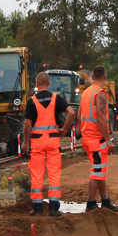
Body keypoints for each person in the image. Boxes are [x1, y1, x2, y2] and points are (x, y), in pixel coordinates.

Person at [23, 71, 75, 217]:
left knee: (37, 174)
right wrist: (64, 129)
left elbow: (28, 124)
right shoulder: (56, 99)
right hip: (53, 140)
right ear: (49, 84)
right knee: (53, 174)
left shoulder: (32, 101)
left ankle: (38, 208)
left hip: (38, 142)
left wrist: (26, 142)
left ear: (37, 84)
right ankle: (53, 208)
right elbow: (71, 112)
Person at [79, 65, 118, 212]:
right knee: (96, 171)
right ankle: (91, 202)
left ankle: (105, 199)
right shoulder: (100, 94)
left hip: (87, 137)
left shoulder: (86, 93)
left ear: (93, 77)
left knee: (100, 170)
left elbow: (79, 115)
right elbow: (102, 119)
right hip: (96, 139)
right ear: (105, 77)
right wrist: (108, 140)